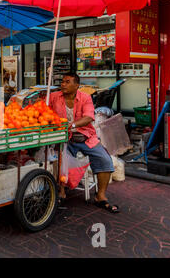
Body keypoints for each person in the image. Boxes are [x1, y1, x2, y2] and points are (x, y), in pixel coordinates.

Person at [49, 73, 119, 213]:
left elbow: (88, 117)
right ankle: (61, 191)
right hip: (63, 138)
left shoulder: (85, 98)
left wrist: (72, 125)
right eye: (62, 82)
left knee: (105, 160)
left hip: (85, 137)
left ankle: (100, 196)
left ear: (76, 85)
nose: (63, 84)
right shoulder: (54, 97)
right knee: (59, 161)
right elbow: (46, 113)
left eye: (67, 82)